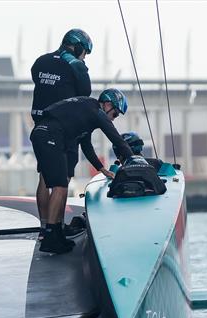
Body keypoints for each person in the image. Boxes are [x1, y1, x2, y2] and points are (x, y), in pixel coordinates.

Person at [30, 88, 135, 254]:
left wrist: (101, 168)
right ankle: (50, 237)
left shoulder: (86, 110)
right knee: (60, 185)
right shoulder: (96, 111)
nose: (113, 119)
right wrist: (134, 160)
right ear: (107, 104)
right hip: (51, 135)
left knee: (46, 180)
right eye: (114, 114)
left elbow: (86, 145)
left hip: (41, 132)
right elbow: (115, 138)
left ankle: (53, 232)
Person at [30, 28, 93, 240]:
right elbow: (86, 91)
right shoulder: (75, 66)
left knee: (43, 178)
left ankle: (44, 226)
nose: (84, 57)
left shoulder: (40, 61)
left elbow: (36, 78)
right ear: (77, 47)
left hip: (40, 125)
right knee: (62, 180)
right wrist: (78, 66)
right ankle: (55, 227)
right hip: (63, 128)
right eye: (84, 52)